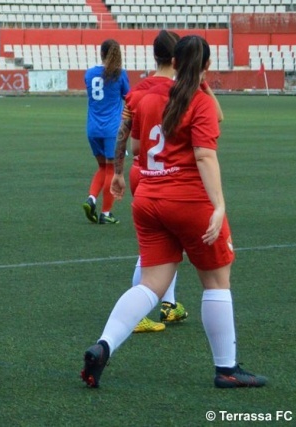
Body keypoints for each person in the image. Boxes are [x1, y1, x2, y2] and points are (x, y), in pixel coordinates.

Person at [81, 35, 266, 389]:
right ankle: (226, 368)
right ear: (206, 67)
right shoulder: (200, 101)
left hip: (148, 197)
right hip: (189, 201)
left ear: (173, 63)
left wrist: (118, 173)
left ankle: (104, 345)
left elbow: (130, 140)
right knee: (216, 281)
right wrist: (219, 205)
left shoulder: (145, 95)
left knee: (151, 283)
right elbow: (205, 155)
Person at [113, 30, 185, 333]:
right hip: (167, 174)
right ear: (175, 58)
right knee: (158, 244)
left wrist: (117, 171)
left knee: (163, 243)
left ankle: (168, 304)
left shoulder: (138, 91)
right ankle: (141, 310)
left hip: (139, 171)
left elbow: (125, 136)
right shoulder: (182, 92)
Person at [81, 39, 129, 225]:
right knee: (111, 170)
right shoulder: (120, 74)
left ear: (101, 53)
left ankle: (91, 199)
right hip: (112, 130)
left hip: (92, 128)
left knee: (102, 167)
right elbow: (129, 98)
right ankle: (106, 213)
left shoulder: (89, 73)